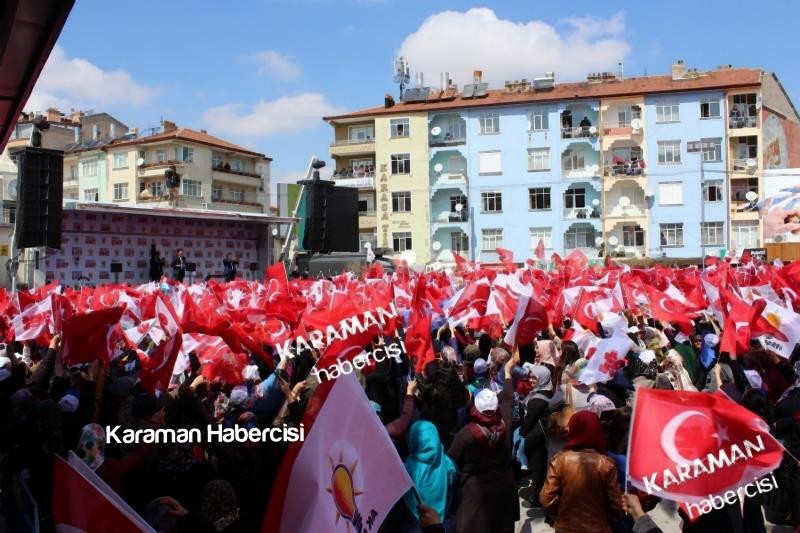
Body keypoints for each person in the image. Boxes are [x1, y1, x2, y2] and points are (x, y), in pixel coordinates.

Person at [447, 355, 519, 533]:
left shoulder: (465, 434)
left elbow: (450, 459)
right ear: (496, 408)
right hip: (504, 490)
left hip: (475, 496)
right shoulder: (505, 423)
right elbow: (508, 399)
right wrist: (508, 372)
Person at [539, 410, 624, 533]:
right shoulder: (606, 464)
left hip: (565, 527)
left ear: (573, 430)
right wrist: (605, 518)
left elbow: (546, 498)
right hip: (599, 527)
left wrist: (560, 515)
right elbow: (617, 504)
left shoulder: (559, 460)